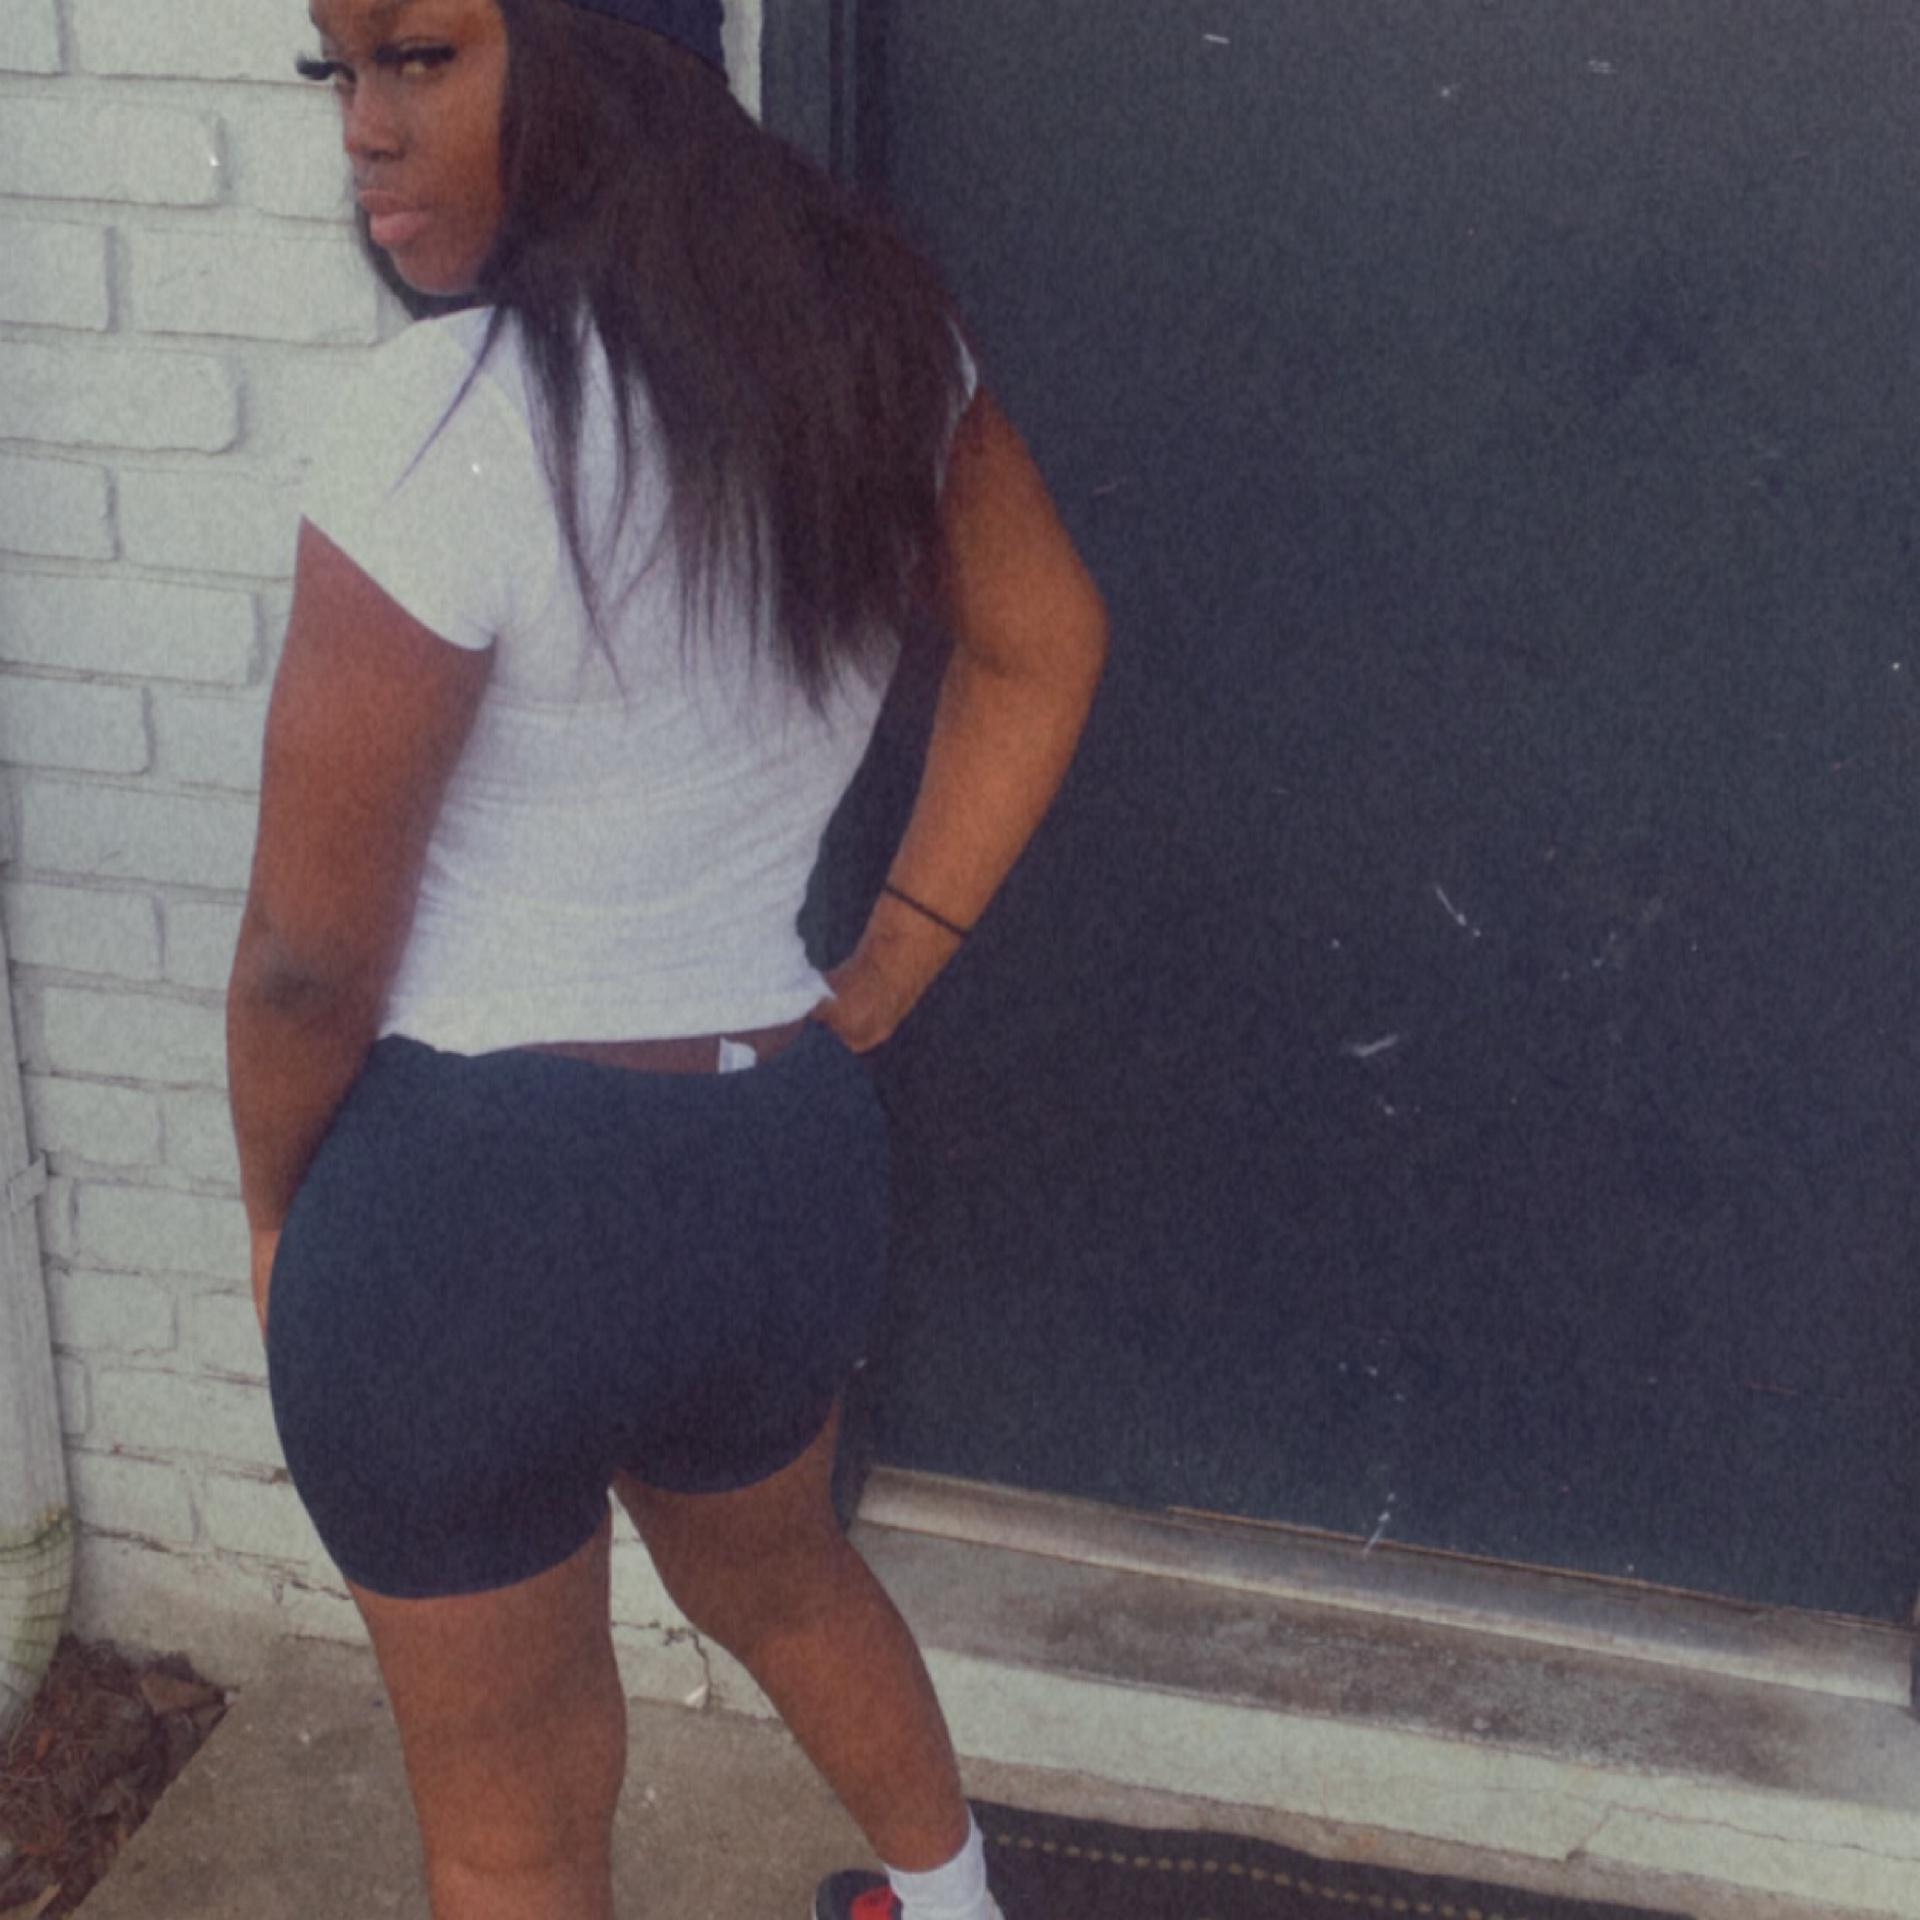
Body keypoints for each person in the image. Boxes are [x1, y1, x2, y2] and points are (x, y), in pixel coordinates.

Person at [224, 1, 1108, 1917]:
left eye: (421, 57)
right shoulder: (886, 362)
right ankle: (954, 1910)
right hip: (766, 1165)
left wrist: (283, 1212)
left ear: (599, 57)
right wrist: (882, 972)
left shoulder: (439, 422)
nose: (361, 126)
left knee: (513, 1831)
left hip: (466, 1216)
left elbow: (304, 961)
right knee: (785, 1578)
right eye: (336, 70)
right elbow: (1046, 643)